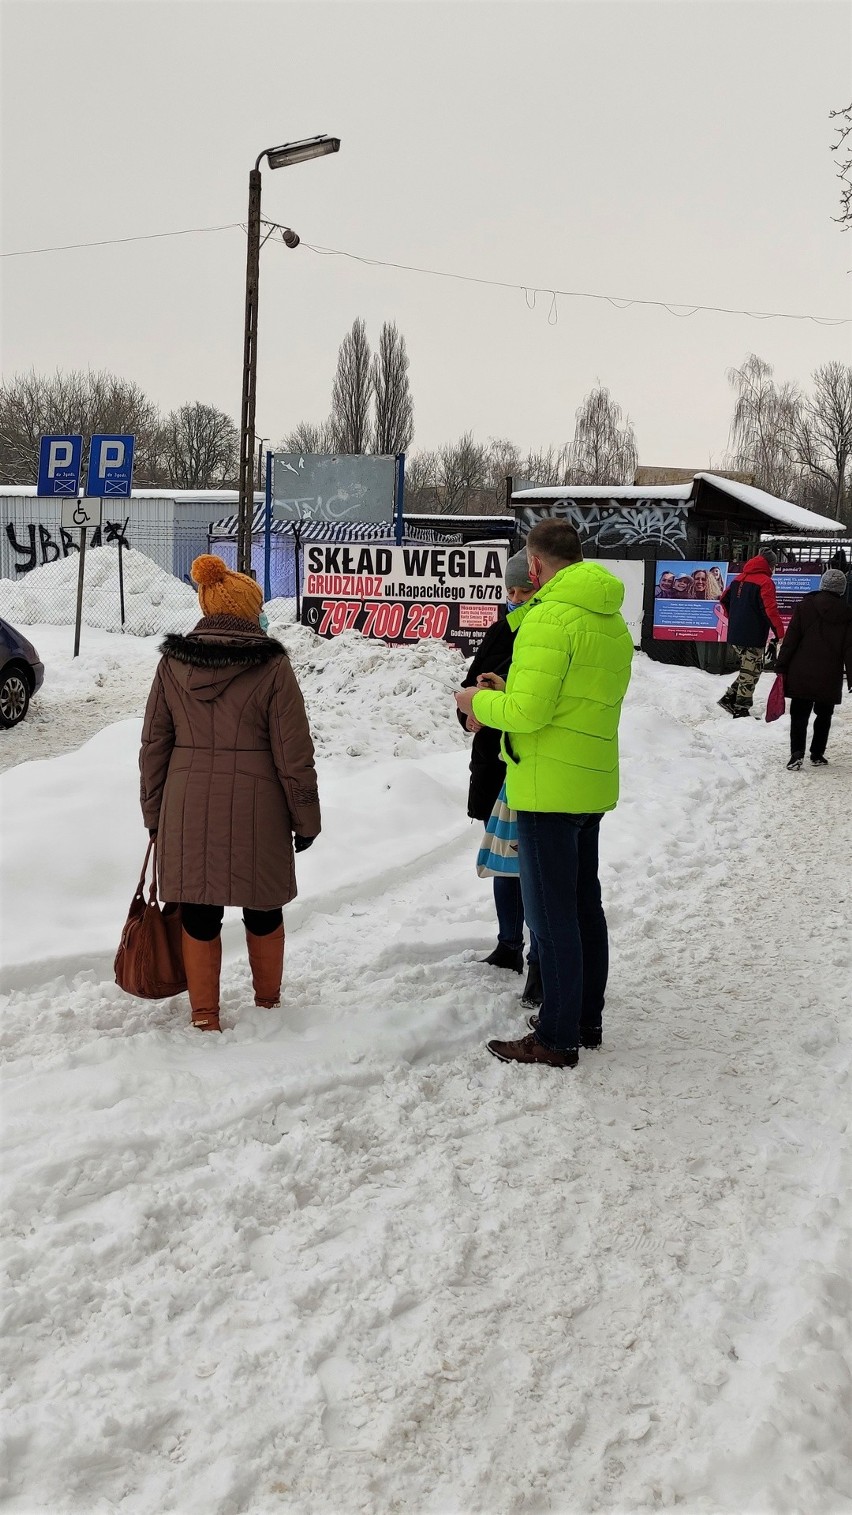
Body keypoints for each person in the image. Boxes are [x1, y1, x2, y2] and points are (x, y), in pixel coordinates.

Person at [454, 520, 633, 1069]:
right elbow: (573, 699)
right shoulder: (607, 617)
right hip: (588, 782)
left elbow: (528, 715)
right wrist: (511, 688)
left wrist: (476, 703)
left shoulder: (545, 619)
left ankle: (555, 1037)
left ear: (533, 565)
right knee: (583, 906)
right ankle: (584, 1018)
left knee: (550, 914)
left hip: (544, 787)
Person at [139, 555, 321, 1032]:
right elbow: (293, 751)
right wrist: (306, 819)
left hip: (185, 803)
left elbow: (154, 745)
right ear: (250, 610)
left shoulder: (172, 665)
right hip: (259, 806)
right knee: (263, 906)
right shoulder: (272, 664)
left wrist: (154, 812)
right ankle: (268, 1003)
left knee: (198, 911)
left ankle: (204, 1016)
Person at [457, 551, 540, 1004]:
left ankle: (537, 955)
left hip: (528, 764)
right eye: (508, 591)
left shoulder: (545, 630)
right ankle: (509, 944)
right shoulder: (499, 630)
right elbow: (470, 684)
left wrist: (500, 701)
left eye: (522, 591)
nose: (513, 599)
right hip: (494, 759)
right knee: (503, 858)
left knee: (532, 862)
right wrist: (468, 713)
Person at [775, 567, 852, 771]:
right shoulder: (847, 613)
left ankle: (796, 754)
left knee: (799, 714)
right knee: (824, 715)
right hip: (829, 674)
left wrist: (781, 664)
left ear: (822, 585)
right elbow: (850, 648)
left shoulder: (804, 606)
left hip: (802, 671)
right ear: (842, 590)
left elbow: (791, 639)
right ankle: (817, 754)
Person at [717, 549, 784, 718]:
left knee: (751, 668)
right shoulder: (765, 582)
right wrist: (779, 633)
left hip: (735, 633)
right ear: (770, 565)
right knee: (751, 670)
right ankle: (741, 708)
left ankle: (730, 698)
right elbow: (770, 610)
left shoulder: (739, 578)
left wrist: (734, 616)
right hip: (753, 634)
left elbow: (724, 599)